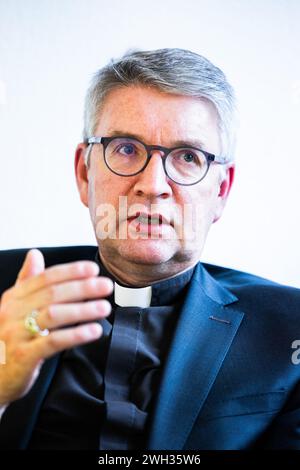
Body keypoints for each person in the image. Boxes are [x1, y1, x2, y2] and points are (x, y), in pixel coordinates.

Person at [0, 48, 299, 451]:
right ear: (84, 173)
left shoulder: (289, 329)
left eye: (188, 157)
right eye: (125, 148)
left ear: (222, 191)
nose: (153, 184)